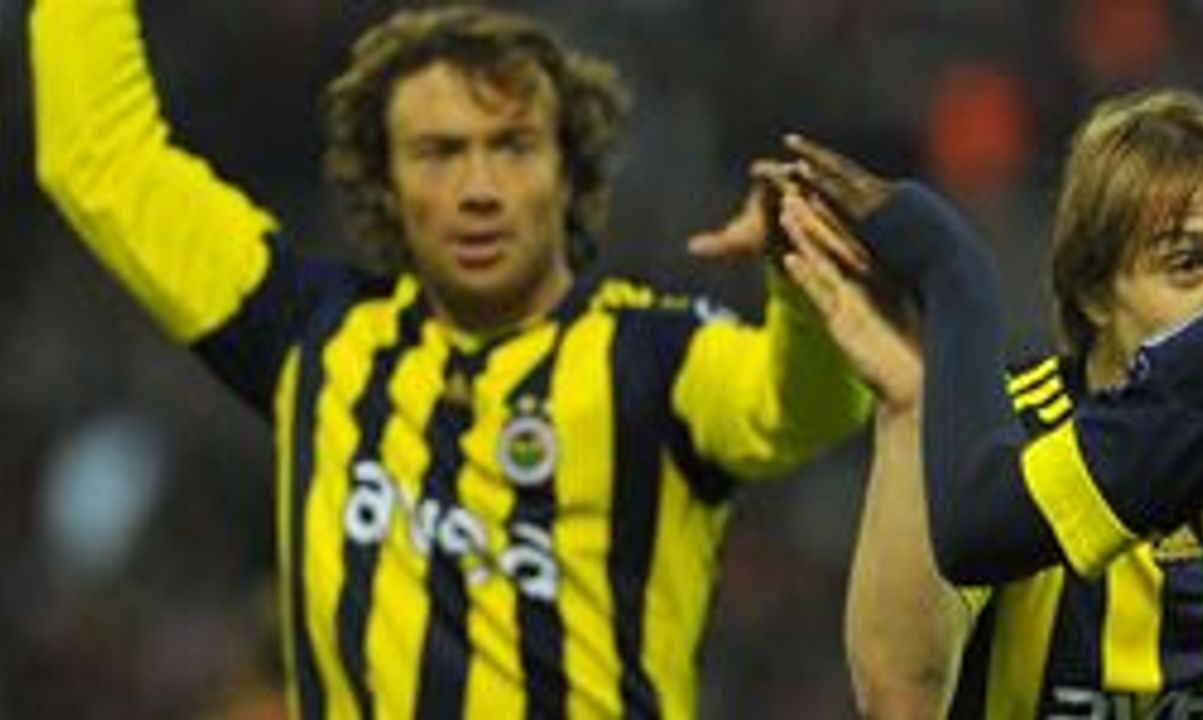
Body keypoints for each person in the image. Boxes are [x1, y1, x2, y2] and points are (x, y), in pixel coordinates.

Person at [30, 0, 876, 716]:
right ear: (384, 182)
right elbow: (99, 159)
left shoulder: (652, 358)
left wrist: (802, 288)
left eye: (513, 146)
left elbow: (803, 410)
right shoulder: (313, 335)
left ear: (570, 170)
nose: (478, 190)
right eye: (438, 152)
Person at [776, 89, 1203, 716]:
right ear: (1094, 291)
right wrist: (912, 410)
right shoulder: (998, 443)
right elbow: (900, 699)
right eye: (1188, 264)